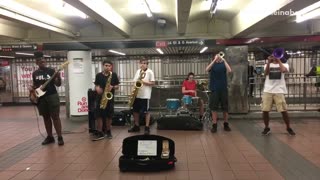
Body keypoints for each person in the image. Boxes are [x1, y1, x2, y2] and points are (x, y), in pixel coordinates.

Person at [29, 51, 64, 145]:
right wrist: (32, 89)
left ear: (45, 61)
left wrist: (59, 78)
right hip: (41, 98)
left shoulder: (51, 71)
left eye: (43, 60)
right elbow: (35, 85)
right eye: (39, 61)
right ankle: (50, 137)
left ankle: (60, 137)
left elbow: (58, 84)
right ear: (36, 63)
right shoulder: (35, 73)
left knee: (55, 117)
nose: (42, 61)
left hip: (52, 96)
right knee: (46, 117)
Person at [261, 54, 295, 136]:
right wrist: (269, 62)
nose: (274, 57)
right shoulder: (266, 65)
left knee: (283, 110)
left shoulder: (285, 64)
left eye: (276, 55)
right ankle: (266, 127)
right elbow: (265, 73)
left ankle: (288, 127)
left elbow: (283, 70)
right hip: (268, 90)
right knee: (265, 110)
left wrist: (278, 60)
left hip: (279, 90)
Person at [92, 60, 119, 141]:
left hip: (109, 98)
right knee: (99, 115)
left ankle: (108, 131)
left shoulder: (113, 75)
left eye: (109, 66)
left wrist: (113, 87)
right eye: (106, 65)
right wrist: (97, 89)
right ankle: (100, 132)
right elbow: (96, 85)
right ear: (103, 66)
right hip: (100, 97)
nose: (107, 67)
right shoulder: (98, 75)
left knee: (109, 116)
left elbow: (117, 86)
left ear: (111, 67)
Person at [205, 52, 232, 133]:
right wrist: (214, 60)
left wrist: (224, 60)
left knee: (225, 108)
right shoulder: (213, 65)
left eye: (219, 56)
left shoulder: (223, 64)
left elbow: (229, 70)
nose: (218, 57)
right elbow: (207, 69)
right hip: (214, 89)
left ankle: (226, 124)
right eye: (217, 56)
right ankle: (214, 125)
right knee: (214, 108)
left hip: (223, 89)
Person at [128, 58, 155, 135]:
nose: (142, 64)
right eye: (141, 63)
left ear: (147, 64)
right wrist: (132, 92)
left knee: (146, 112)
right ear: (139, 64)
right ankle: (136, 126)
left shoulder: (150, 72)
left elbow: (153, 83)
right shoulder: (138, 71)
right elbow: (134, 81)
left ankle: (147, 127)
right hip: (137, 94)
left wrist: (143, 82)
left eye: (144, 63)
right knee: (135, 111)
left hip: (145, 95)